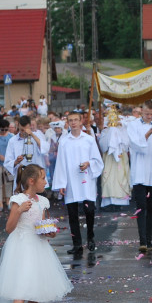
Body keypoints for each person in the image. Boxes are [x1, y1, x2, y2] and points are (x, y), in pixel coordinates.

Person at [0, 164, 73, 303]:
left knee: (36, 287)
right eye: (43, 178)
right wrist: (19, 210)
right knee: (21, 286)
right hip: (21, 247)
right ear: (31, 181)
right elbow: (9, 228)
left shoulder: (42, 202)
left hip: (38, 247)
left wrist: (50, 231)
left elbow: (42, 225)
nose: (46, 182)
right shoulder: (18, 199)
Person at [53, 111, 103, 259]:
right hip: (71, 180)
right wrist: (61, 183)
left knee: (89, 211)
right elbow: (60, 163)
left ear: (81, 121)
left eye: (76, 120)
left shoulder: (88, 139)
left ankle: (91, 238)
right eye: (70, 120)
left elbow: (97, 160)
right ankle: (77, 244)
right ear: (68, 123)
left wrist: (89, 163)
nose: (73, 123)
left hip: (86, 179)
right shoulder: (64, 141)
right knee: (73, 213)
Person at [127, 101, 152, 252]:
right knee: (141, 206)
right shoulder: (133, 125)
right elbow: (136, 144)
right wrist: (149, 133)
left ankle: (149, 241)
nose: (149, 117)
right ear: (141, 111)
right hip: (139, 172)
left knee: (151, 207)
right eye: (146, 114)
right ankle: (142, 240)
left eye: (151, 114)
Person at [98, 108, 131, 208]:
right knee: (108, 179)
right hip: (109, 159)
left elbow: (126, 145)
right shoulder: (105, 132)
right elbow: (103, 146)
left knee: (121, 178)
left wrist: (118, 139)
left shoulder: (123, 130)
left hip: (121, 159)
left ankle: (122, 202)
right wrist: (110, 135)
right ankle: (108, 202)